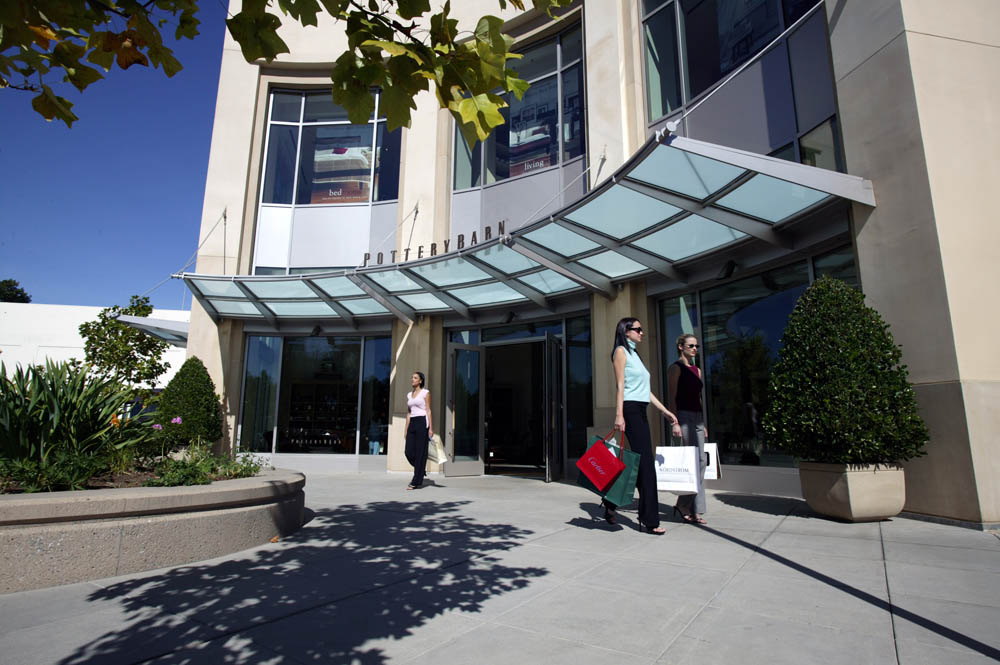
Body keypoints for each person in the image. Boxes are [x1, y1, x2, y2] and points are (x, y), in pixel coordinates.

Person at [607, 317, 681, 534]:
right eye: (638, 329)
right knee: (647, 465)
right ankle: (650, 520)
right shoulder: (620, 351)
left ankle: (610, 504)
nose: (642, 333)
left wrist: (664, 410)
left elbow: (644, 391)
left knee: (638, 464)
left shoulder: (635, 354)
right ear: (626, 331)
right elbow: (620, 385)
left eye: (642, 329)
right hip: (629, 410)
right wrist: (619, 415)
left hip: (640, 409)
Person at [667, 333, 708, 524]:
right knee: (689, 464)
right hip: (682, 417)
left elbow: (698, 398)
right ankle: (689, 508)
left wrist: (703, 423)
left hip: (697, 419)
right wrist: (674, 421)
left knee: (701, 462)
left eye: (696, 346)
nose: (695, 349)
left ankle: (690, 505)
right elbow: (672, 397)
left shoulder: (697, 370)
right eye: (691, 346)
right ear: (681, 347)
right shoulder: (675, 369)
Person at [404, 372, 433, 490]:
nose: (412, 379)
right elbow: (409, 413)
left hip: (422, 422)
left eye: (415, 378)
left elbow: (429, 411)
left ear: (420, 381)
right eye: (412, 377)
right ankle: (421, 469)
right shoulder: (409, 395)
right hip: (412, 423)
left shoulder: (426, 393)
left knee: (420, 452)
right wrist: (405, 430)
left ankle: (415, 481)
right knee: (408, 452)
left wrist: (431, 428)